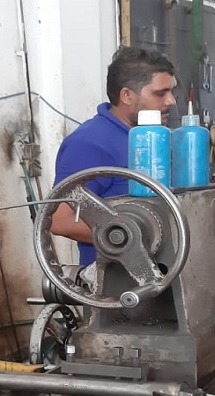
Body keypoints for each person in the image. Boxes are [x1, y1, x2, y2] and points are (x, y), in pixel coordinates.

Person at [50, 47, 177, 265]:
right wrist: (133, 239)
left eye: (171, 92)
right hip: (118, 278)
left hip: (167, 271)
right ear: (127, 95)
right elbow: (61, 221)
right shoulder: (90, 143)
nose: (171, 101)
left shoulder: (154, 138)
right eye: (160, 93)